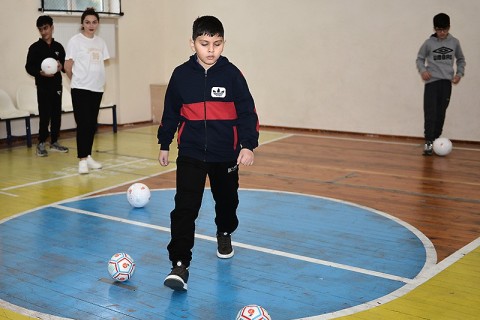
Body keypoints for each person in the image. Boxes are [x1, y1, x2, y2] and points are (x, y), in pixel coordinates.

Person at [157, 15, 259, 291]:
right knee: (185, 208)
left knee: (227, 201)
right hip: (190, 151)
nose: (211, 50)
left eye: (217, 43)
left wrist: (248, 145)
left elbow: (248, 113)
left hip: (225, 153)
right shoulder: (180, 76)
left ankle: (224, 231)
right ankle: (180, 264)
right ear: (193, 44)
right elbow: (170, 113)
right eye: (204, 44)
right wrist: (165, 143)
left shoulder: (232, 75)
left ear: (223, 43)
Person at [64, 8, 110, 174]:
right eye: (87, 22)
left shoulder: (100, 42)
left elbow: (100, 65)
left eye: (94, 22)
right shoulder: (75, 41)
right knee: (83, 124)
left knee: (91, 125)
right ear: (82, 24)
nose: (91, 25)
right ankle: (82, 160)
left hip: (96, 89)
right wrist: (76, 80)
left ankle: (88, 156)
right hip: (80, 89)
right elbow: (67, 66)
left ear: (98, 23)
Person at [416, 13, 466, 155]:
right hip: (432, 83)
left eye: (444, 30)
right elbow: (420, 59)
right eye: (438, 30)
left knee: (440, 113)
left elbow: (461, 60)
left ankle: (437, 140)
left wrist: (459, 74)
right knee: (430, 113)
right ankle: (429, 142)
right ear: (434, 29)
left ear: (449, 28)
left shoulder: (454, 42)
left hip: (446, 83)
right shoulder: (429, 43)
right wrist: (423, 70)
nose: (442, 33)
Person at [25, 15, 68, 157]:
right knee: (45, 114)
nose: (44, 32)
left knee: (56, 114)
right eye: (41, 29)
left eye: (46, 28)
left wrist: (62, 66)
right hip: (43, 86)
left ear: (52, 28)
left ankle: (54, 141)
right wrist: (39, 72)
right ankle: (41, 143)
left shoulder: (59, 47)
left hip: (56, 86)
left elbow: (63, 66)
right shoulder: (34, 48)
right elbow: (29, 67)